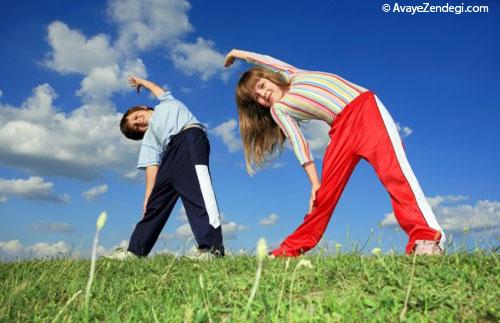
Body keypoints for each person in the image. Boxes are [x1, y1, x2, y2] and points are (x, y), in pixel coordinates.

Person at [224, 49, 445, 256]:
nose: (264, 95)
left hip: (366, 111)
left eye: (262, 86)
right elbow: (298, 142)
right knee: (323, 197)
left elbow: (265, 59)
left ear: (269, 77)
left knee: (394, 173)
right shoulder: (279, 109)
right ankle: (289, 250)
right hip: (340, 132)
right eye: (258, 98)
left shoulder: (292, 74)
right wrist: (314, 183)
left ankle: (426, 239)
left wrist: (237, 54)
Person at [107, 75, 224, 260]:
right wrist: (148, 198)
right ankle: (135, 251)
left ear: (143, 108)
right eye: (137, 127)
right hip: (170, 154)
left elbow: (155, 86)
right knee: (155, 204)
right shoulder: (150, 138)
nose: (140, 123)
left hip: (190, 138)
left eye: (138, 117)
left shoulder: (166, 103)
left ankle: (211, 249)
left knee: (198, 193)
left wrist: (140, 82)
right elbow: (152, 167)